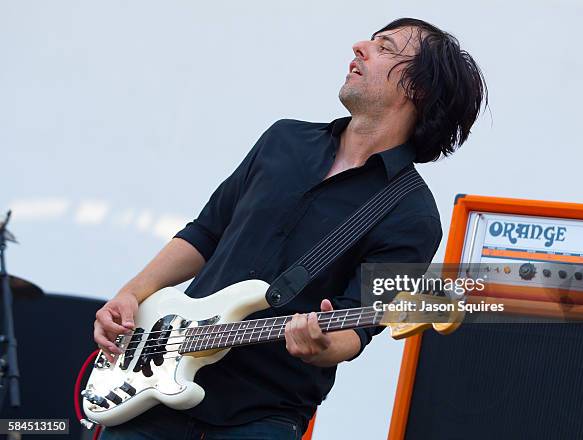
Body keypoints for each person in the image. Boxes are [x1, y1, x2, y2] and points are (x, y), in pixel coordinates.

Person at [93, 17, 487, 440]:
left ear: (418, 88)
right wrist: (131, 293)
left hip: (260, 416)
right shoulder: (283, 140)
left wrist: (322, 344)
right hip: (154, 381)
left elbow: (357, 329)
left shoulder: (413, 214)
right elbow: (206, 233)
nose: (359, 47)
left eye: (386, 48)